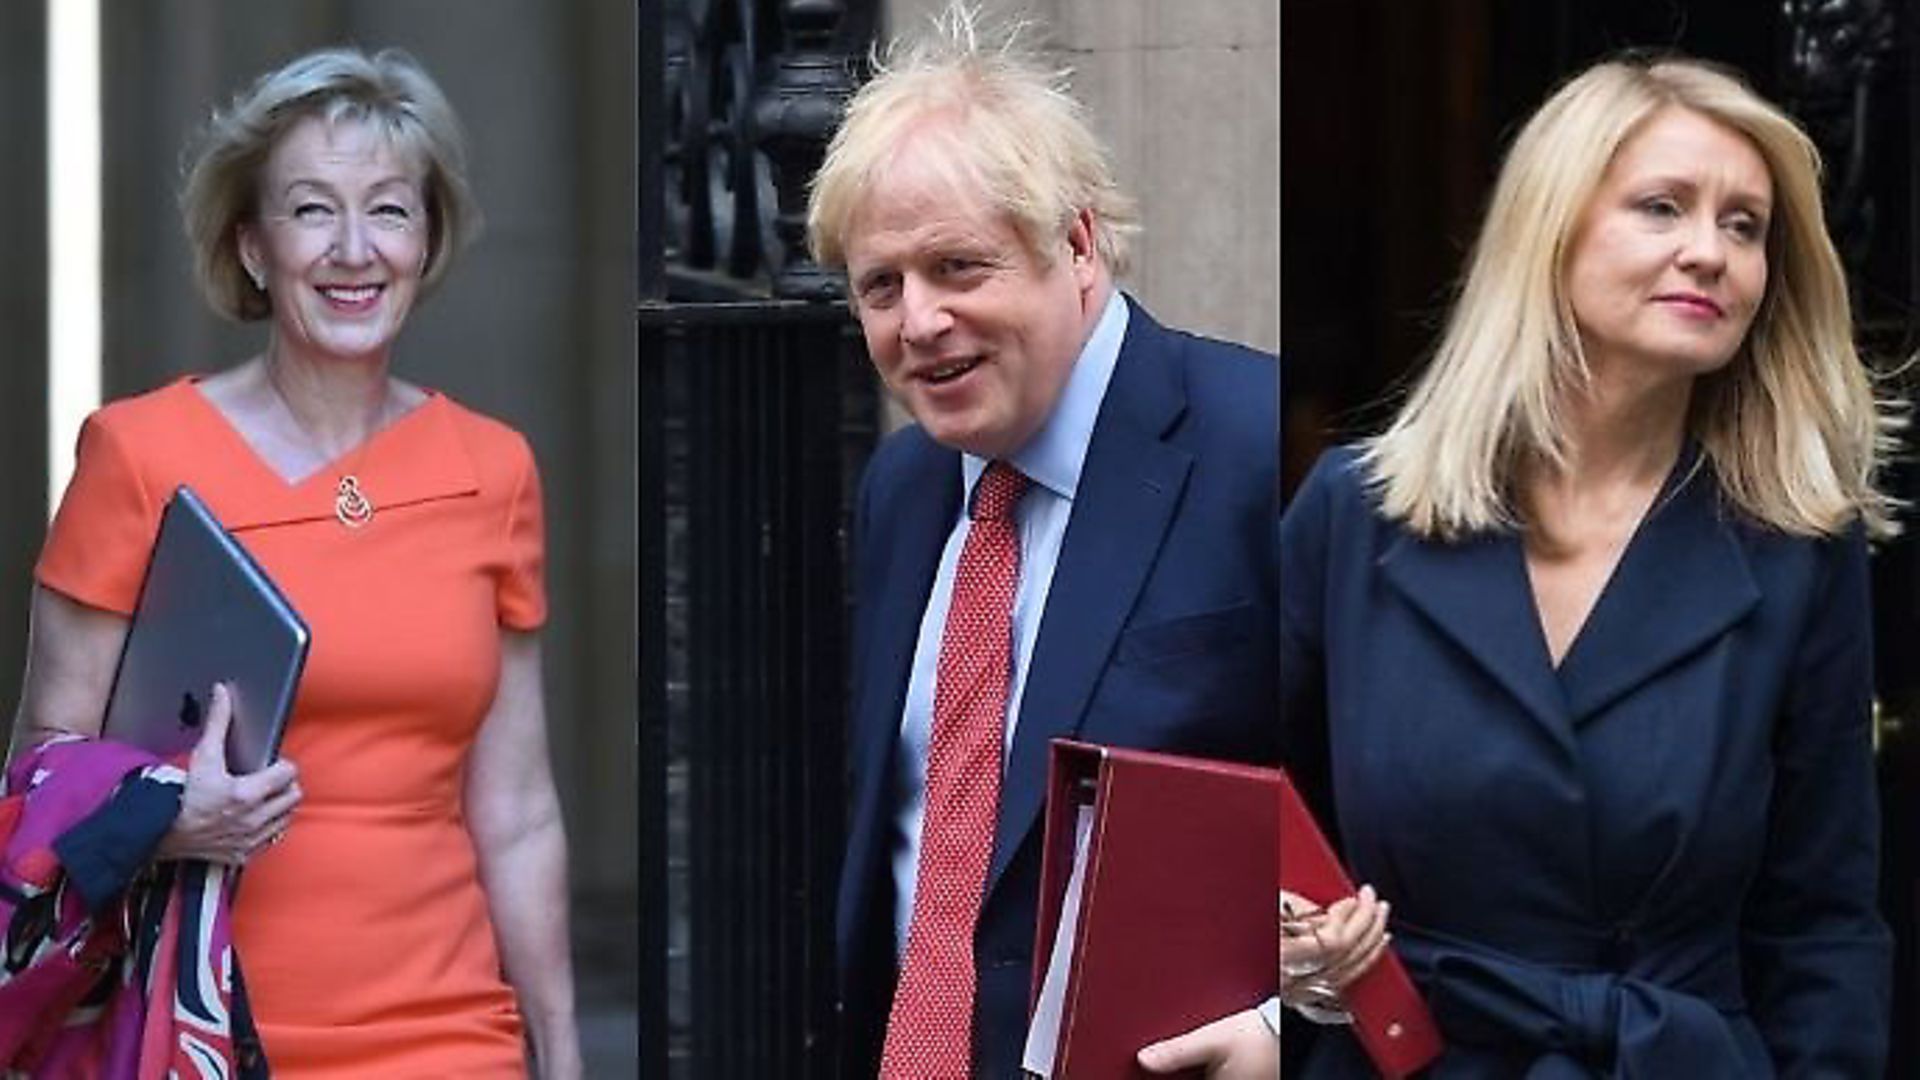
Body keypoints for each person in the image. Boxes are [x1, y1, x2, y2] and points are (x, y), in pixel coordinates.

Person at [1281, 54, 1897, 1075]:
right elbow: (1236, 818)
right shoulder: (1357, 513)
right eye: (1663, 207)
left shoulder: (1795, 545)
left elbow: (1823, 918)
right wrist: (1290, 945)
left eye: (1744, 225)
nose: (1710, 251)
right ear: (1548, 233)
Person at [8, 47, 580, 1078]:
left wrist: (563, 1051)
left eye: (391, 212)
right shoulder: (140, 453)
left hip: (448, 1035)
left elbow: (519, 808)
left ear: (429, 240)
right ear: (254, 248)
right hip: (196, 1029)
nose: (354, 249)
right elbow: (42, 764)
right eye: (313, 210)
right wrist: (170, 814)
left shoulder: (491, 470)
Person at [807, 5, 1281, 1077]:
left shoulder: (1260, 449)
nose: (918, 322)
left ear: (1076, 244)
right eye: (881, 285)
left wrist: (1279, 1033)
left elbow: (1403, 816)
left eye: (958, 268)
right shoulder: (906, 485)